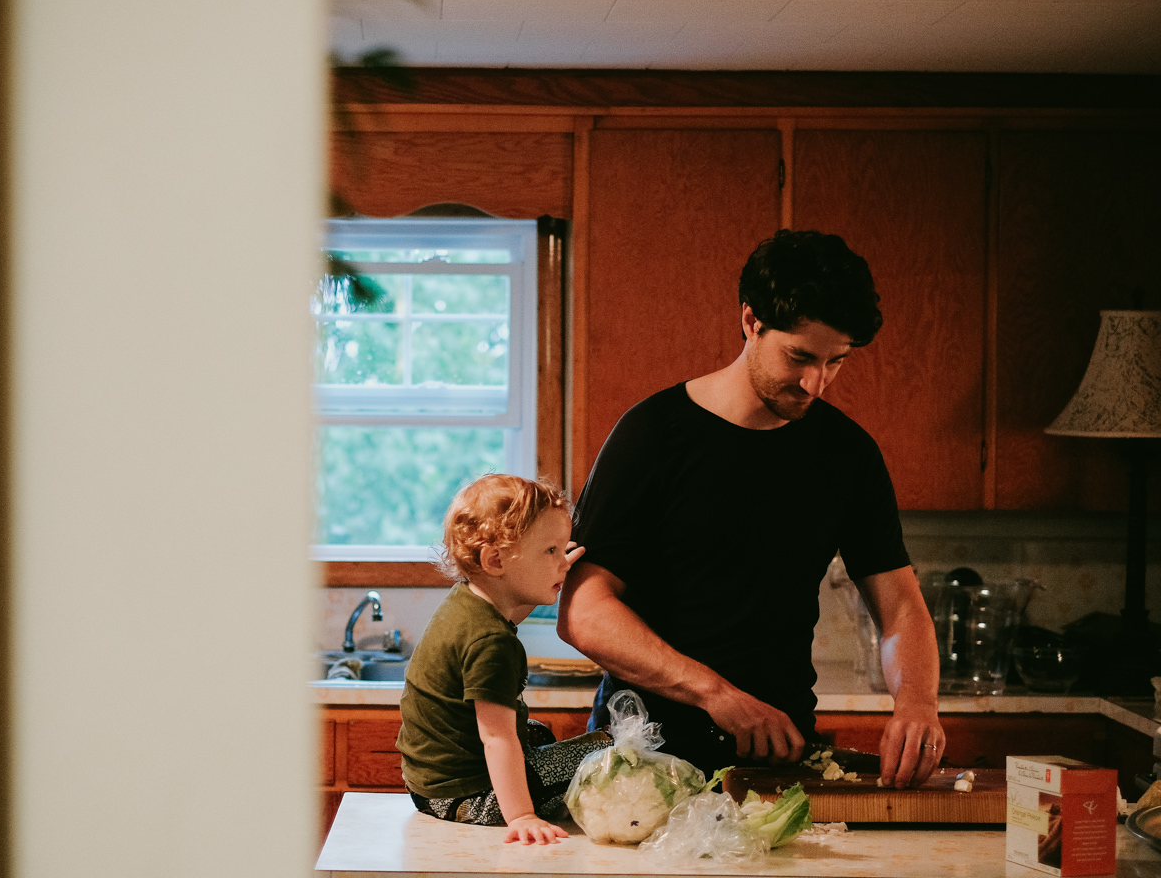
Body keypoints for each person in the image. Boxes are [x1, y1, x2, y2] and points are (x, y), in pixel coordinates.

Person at [556, 229, 945, 790]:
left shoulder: (847, 454)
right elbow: (584, 611)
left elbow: (901, 607)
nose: (817, 383)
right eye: (800, 357)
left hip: (778, 760)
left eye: (837, 361)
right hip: (642, 764)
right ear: (750, 322)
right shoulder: (652, 435)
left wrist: (917, 701)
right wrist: (718, 695)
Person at [397, 474, 611, 844]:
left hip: (431, 788)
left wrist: (554, 566)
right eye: (550, 551)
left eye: (563, 550)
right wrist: (522, 816)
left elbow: (513, 604)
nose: (563, 562)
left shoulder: (467, 603)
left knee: (538, 733)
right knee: (605, 749)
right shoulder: (491, 642)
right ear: (495, 560)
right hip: (468, 797)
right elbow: (496, 738)